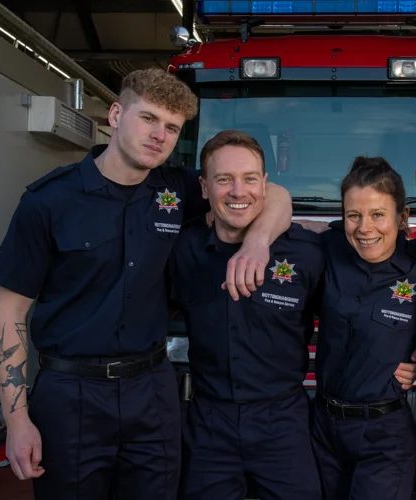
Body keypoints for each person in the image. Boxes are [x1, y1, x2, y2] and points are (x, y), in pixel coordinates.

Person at [0, 69, 292, 499]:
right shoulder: (48, 201)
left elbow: (273, 193)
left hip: (152, 390)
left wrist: (257, 242)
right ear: (115, 114)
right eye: (148, 119)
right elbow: (8, 310)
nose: (159, 136)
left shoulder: (177, 188)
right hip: (70, 393)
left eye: (171, 127)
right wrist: (16, 421)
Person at [168, 129, 324, 499]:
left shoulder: (306, 254)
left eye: (250, 179)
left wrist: (402, 352)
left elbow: (349, 313)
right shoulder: (181, 251)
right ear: (204, 188)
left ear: (265, 184)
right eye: (224, 180)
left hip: (284, 422)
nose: (239, 192)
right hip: (208, 424)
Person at [311, 157, 416, 500]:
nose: (364, 228)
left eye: (378, 214)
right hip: (323, 428)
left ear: (402, 217)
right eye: (353, 215)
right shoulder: (328, 249)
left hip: (384, 434)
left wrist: (414, 353)